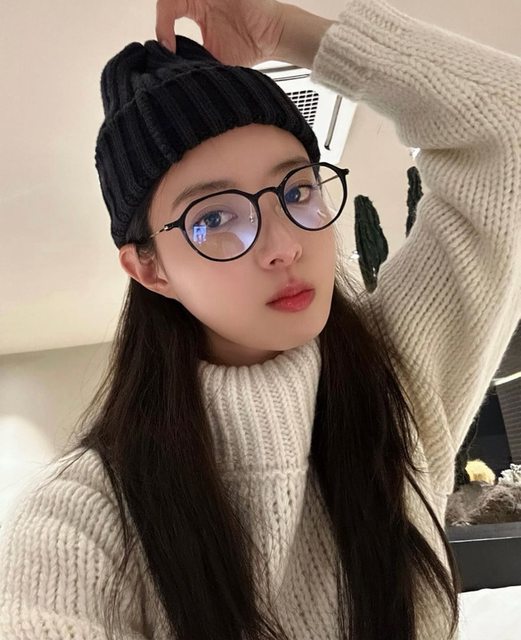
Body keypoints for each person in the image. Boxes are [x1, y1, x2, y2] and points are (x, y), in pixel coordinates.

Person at [1, 0, 520, 638]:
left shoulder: (395, 384)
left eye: (297, 190)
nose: (283, 245)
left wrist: (283, 32)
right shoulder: (81, 521)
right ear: (150, 270)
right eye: (215, 217)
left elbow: (508, 128)